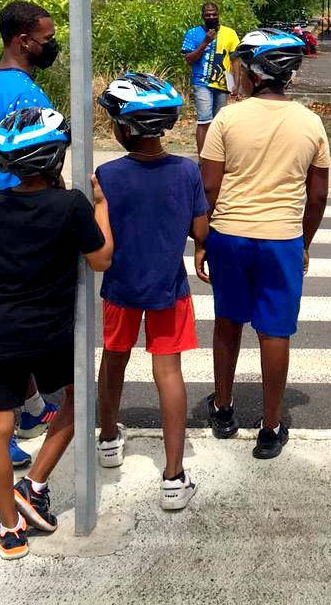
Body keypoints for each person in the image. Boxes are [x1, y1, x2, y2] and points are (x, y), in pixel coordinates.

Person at [0, 107, 113, 559]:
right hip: (52, 328)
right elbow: (101, 259)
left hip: (2, 326)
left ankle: (10, 527)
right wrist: (102, 207)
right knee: (80, 399)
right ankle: (34, 483)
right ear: (56, 158)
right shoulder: (72, 205)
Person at [196, 28, 330, 460]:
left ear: (253, 71)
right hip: (282, 239)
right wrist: (304, 242)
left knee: (228, 322)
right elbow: (319, 194)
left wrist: (202, 241)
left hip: (229, 235)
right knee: (275, 331)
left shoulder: (227, 119)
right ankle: (270, 426)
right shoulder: (310, 123)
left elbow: (209, 188)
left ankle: (222, 407)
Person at [94, 73, 207, 511]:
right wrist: (198, 245)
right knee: (169, 374)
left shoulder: (106, 175)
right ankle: (174, 477)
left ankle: (107, 440)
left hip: (120, 287)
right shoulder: (186, 172)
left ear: (125, 128)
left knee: (114, 360)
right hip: (169, 288)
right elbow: (200, 229)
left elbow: (99, 234)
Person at [0, 0, 63, 467]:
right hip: (27, 218)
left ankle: (28, 409)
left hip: (1, 211)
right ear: (23, 40)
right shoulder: (25, 95)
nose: (52, 45)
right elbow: (41, 163)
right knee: (28, 321)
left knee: (22, 311)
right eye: (46, 39)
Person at [182, 1, 240, 154]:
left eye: (214, 14)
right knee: (204, 120)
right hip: (201, 83)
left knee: (219, 123)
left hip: (222, 84)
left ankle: (216, 156)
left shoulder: (230, 33)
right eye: (208, 15)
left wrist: (237, 83)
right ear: (202, 16)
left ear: (218, 15)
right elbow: (189, 60)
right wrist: (205, 42)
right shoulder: (193, 33)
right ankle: (202, 159)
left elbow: (235, 59)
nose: (211, 17)